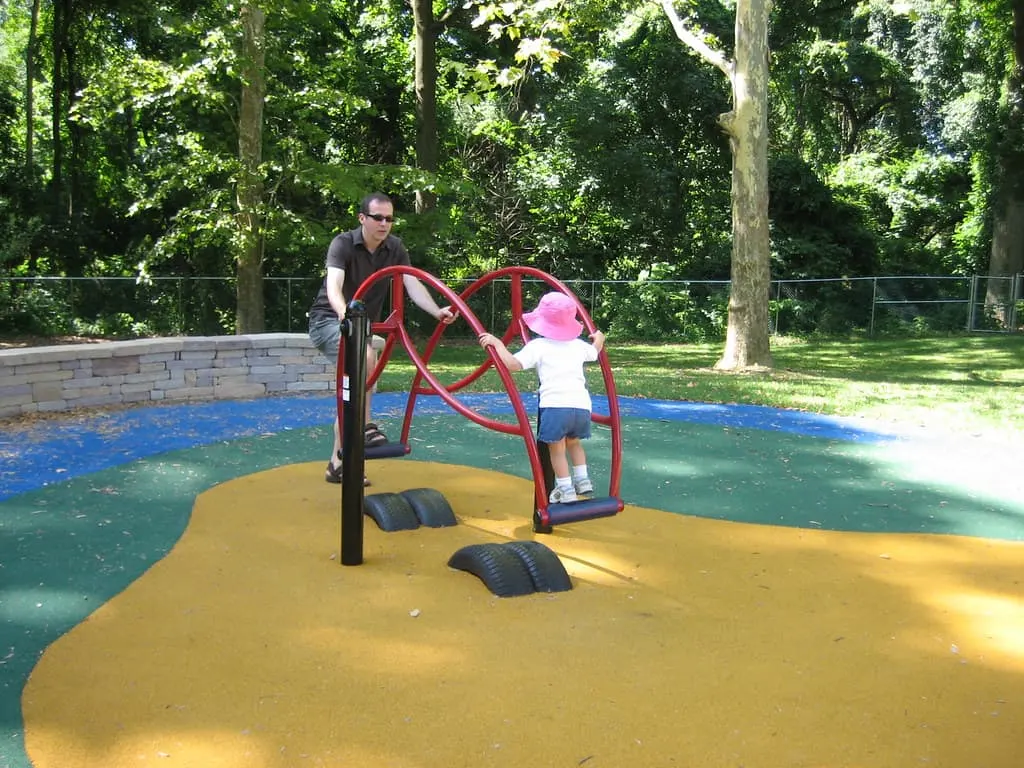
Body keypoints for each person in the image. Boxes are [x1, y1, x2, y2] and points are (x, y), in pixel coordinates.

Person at [308, 192, 457, 485]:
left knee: (358, 390)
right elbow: (334, 286)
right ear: (362, 218)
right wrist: (344, 315)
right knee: (365, 359)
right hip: (329, 320)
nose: (384, 224)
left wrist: (436, 311)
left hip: (361, 327)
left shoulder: (394, 247)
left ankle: (338, 463)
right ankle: (363, 428)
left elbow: (411, 283)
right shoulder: (343, 244)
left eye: (389, 218)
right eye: (378, 218)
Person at [478, 291, 606, 504]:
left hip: (555, 406)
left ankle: (565, 489)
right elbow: (594, 352)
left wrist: (498, 344)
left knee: (556, 449)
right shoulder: (577, 345)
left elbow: (513, 365)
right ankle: (583, 480)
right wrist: (599, 338)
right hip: (582, 406)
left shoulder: (539, 346)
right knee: (574, 443)